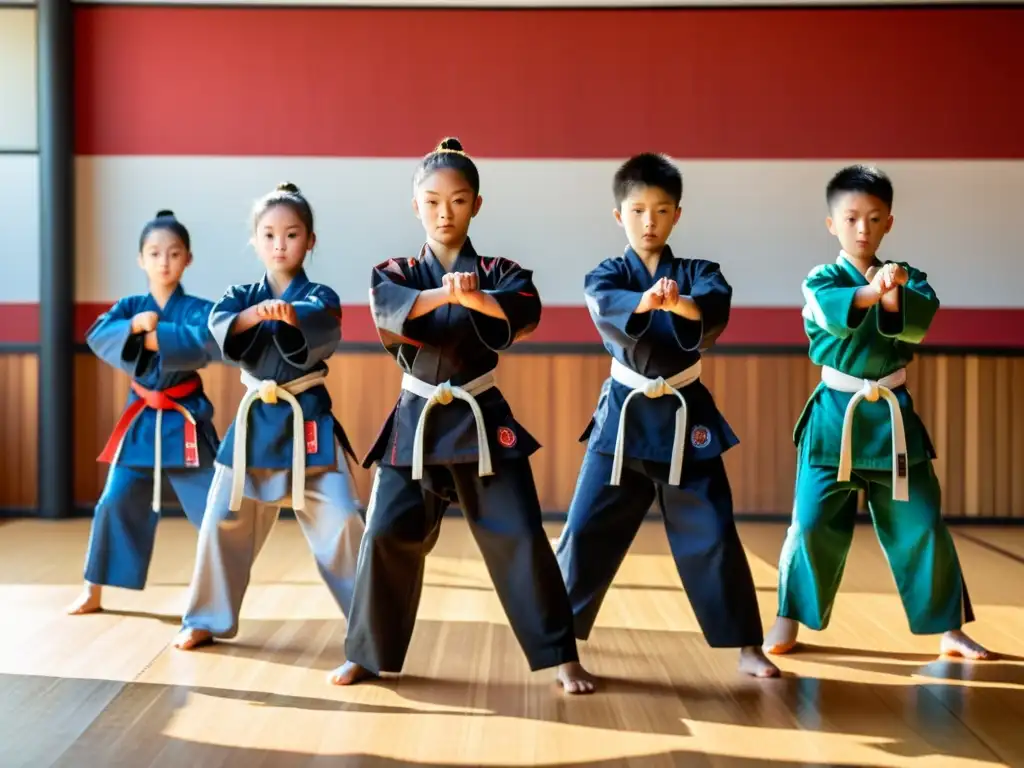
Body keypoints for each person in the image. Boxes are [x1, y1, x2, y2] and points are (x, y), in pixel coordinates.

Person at [329, 138, 595, 694]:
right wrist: (445, 295)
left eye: (457, 200)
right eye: (431, 201)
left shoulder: (500, 270)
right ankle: (367, 654)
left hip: (480, 415)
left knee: (520, 532)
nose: (443, 213)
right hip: (417, 416)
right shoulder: (397, 270)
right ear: (415, 206)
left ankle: (559, 656)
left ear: (477, 204)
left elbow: (524, 309)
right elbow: (386, 308)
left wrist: (473, 298)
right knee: (383, 533)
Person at [553, 153, 779, 678]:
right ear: (619, 217)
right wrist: (650, 300)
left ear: (677, 214)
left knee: (715, 531)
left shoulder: (700, 273)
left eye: (660, 210)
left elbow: (712, 307)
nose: (648, 222)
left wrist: (677, 305)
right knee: (585, 532)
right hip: (624, 421)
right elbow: (607, 306)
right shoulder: (606, 275)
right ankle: (563, 651)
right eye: (637, 211)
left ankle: (748, 645)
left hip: (686, 419)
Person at [762, 164, 995, 661]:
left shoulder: (912, 279)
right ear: (832, 225)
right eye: (851, 218)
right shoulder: (821, 279)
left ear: (890, 221)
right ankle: (788, 617)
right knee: (810, 522)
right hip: (833, 418)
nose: (862, 229)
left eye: (873, 218)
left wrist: (894, 294)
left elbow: (915, 328)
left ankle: (947, 626)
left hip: (892, 419)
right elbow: (831, 317)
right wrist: (874, 291)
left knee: (923, 523)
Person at [173, 183, 365, 650]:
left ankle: (370, 627)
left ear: (310, 241)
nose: (280, 244)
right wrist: (252, 315)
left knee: (342, 521)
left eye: (292, 234)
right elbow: (220, 327)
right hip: (256, 420)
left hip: (308, 419)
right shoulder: (240, 295)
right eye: (269, 234)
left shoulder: (320, 296)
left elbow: (322, 327)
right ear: (255, 241)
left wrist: (290, 317)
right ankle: (206, 617)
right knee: (224, 518)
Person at [68, 210, 220, 615]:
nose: (164, 262)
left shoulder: (199, 309)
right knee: (113, 501)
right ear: (141, 259)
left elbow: (209, 341)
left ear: (188, 258)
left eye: (173, 253)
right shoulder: (130, 306)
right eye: (154, 253)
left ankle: (210, 597)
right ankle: (93, 589)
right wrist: (134, 324)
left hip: (184, 418)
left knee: (214, 512)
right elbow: (98, 335)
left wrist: (153, 338)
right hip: (140, 417)